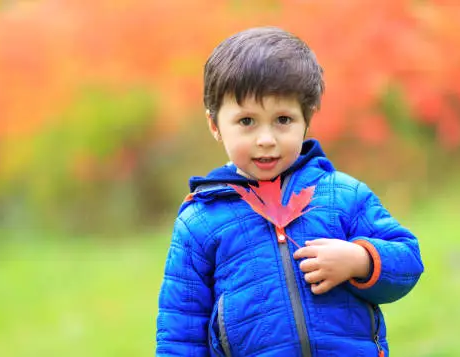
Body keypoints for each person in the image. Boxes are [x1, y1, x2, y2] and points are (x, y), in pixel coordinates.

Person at [155, 26, 424, 357]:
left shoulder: (342, 195)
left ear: (306, 119)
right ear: (215, 125)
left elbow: (409, 260)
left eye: (283, 119)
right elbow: (180, 331)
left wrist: (359, 260)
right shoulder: (200, 220)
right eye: (246, 121)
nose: (266, 138)